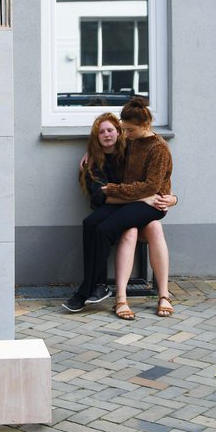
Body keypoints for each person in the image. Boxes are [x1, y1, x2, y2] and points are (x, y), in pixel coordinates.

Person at [63, 99, 174, 318]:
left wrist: (113, 189)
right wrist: (93, 153)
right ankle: (97, 287)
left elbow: (151, 187)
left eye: (129, 130)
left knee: (104, 230)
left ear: (146, 125)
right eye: (124, 129)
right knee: (90, 223)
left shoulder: (159, 149)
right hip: (137, 200)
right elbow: (113, 151)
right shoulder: (132, 141)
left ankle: (87, 290)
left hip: (153, 204)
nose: (126, 133)